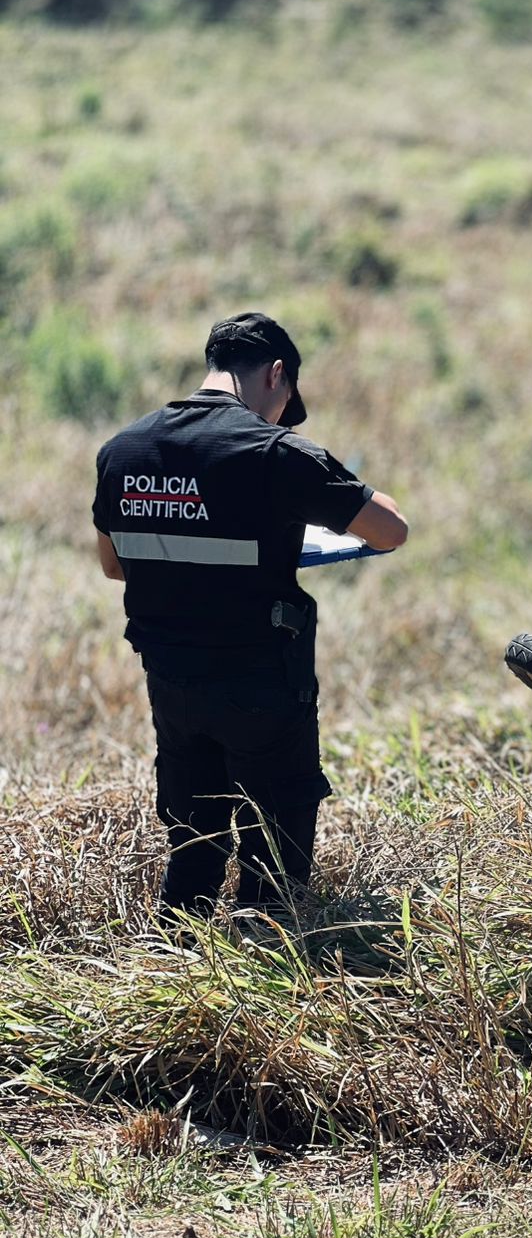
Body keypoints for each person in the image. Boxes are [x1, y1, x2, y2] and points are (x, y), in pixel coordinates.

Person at [92, 312, 408, 916]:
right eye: (284, 403)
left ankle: (175, 955)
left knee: (193, 842)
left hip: (171, 684)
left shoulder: (122, 450)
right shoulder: (276, 453)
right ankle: (266, 957)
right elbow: (391, 529)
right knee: (275, 857)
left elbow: (114, 565)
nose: (278, 417)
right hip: (261, 684)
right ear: (276, 374)